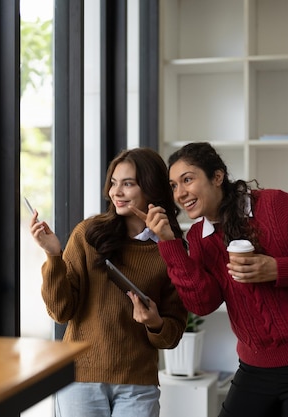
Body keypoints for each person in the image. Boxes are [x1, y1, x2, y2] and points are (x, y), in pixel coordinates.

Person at [134, 142, 288, 417]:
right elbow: (203, 303)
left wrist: (277, 269)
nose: (180, 193)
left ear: (217, 177)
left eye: (188, 180)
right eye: (174, 185)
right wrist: (169, 243)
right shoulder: (197, 237)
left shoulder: (275, 205)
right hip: (255, 368)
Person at [29, 147, 188, 417]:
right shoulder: (88, 234)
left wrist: (154, 322)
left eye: (128, 184)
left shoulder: (171, 249)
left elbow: (172, 334)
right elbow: (60, 312)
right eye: (114, 183)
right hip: (80, 377)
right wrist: (53, 256)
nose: (116, 192)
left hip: (138, 384)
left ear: (151, 189)